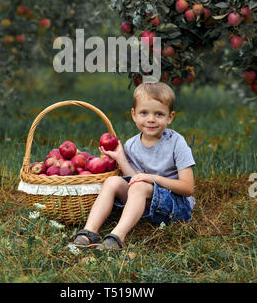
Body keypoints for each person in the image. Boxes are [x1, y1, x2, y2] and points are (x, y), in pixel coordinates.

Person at [71, 82, 196, 250]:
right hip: (144, 202)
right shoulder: (131, 145)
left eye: (159, 114)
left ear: (170, 117)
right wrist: (121, 159)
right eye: (144, 113)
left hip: (175, 206)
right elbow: (134, 179)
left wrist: (153, 179)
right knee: (113, 181)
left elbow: (188, 188)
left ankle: (117, 237)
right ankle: (89, 232)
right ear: (134, 114)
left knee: (139, 187)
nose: (151, 119)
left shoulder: (176, 143)